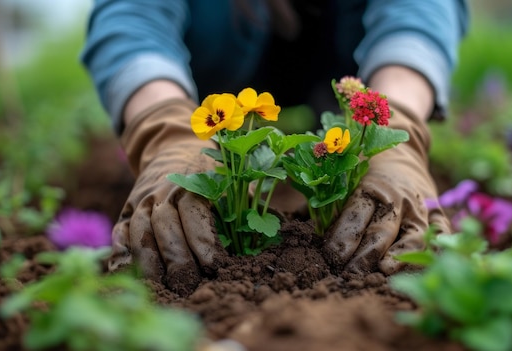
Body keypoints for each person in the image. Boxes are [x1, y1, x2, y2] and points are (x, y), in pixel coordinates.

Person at [81, 0, 469, 294]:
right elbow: (131, 19)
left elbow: (419, 13)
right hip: (209, 81)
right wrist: (165, 131)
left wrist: (397, 127)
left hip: (345, 61)